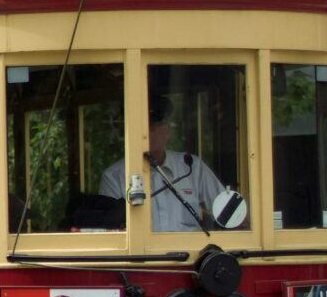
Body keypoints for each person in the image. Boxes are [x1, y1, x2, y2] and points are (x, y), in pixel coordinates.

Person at [99, 94, 234, 233]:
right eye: (141, 127)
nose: (146, 133)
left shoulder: (191, 166)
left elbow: (230, 213)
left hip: (192, 253)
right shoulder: (114, 176)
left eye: (152, 126)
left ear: (167, 130)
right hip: (141, 255)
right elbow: (110, 232)